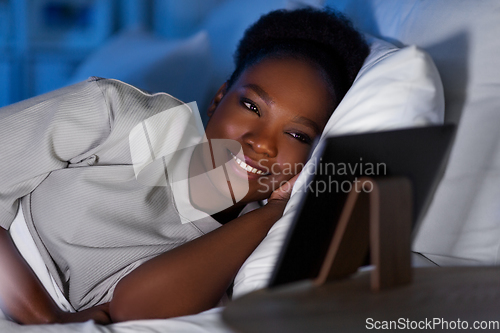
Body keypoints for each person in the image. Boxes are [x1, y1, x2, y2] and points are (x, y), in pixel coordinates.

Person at [0, 8, 369, 324]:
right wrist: (43, 317)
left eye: (298, 136)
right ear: (219, 98)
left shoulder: (257, 238)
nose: (262, 142)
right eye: (252, 107)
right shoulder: (118, 116)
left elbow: (133, 308)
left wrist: (270, 214)